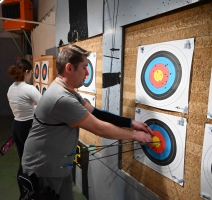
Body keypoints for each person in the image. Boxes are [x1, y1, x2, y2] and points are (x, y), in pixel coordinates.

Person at [19, 45, 153, 200]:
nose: (88, 72)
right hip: (42, 170)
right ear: (69, 68)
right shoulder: (62, 98)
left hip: (58, 166)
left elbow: (96, 113)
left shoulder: (68, 91)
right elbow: (99, 128)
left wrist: (130, 123)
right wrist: (136, 136)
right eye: (84, 67)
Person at [6, 59, 42, 199]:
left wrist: (32, 107)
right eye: (31, 72)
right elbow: (44, 106)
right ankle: (34, 193)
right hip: (28, 128)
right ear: (26, 72)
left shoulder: (11, 88)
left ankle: (24, 194)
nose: (31, 75)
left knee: (23, 162)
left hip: (16, 127)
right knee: (33, 163)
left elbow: (23, 106)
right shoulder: (29, 88)